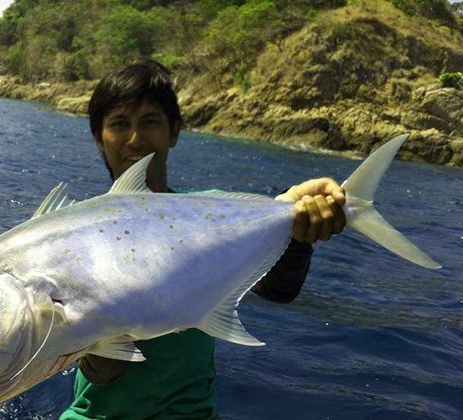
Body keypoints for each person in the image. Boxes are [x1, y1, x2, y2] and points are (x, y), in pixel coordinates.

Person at [60, 59, 346, 419]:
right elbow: (105, 373)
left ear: (174, 131)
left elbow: (277, 289)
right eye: (119, 124)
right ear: (99, 139)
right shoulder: (73, 237)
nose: (135, 139)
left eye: (150, 122)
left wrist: (297, 229)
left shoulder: (215, 211)